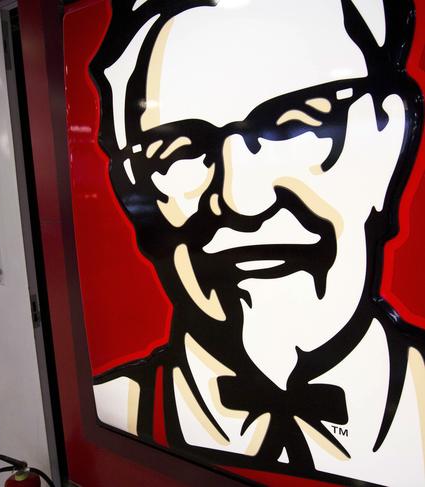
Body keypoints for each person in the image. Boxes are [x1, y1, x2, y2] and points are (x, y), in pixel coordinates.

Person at [89, 0, 425, 485]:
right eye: (179, 151)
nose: (241, 200)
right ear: (134, 191)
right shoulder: (113, 409)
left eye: (295, 125)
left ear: (387, 139)